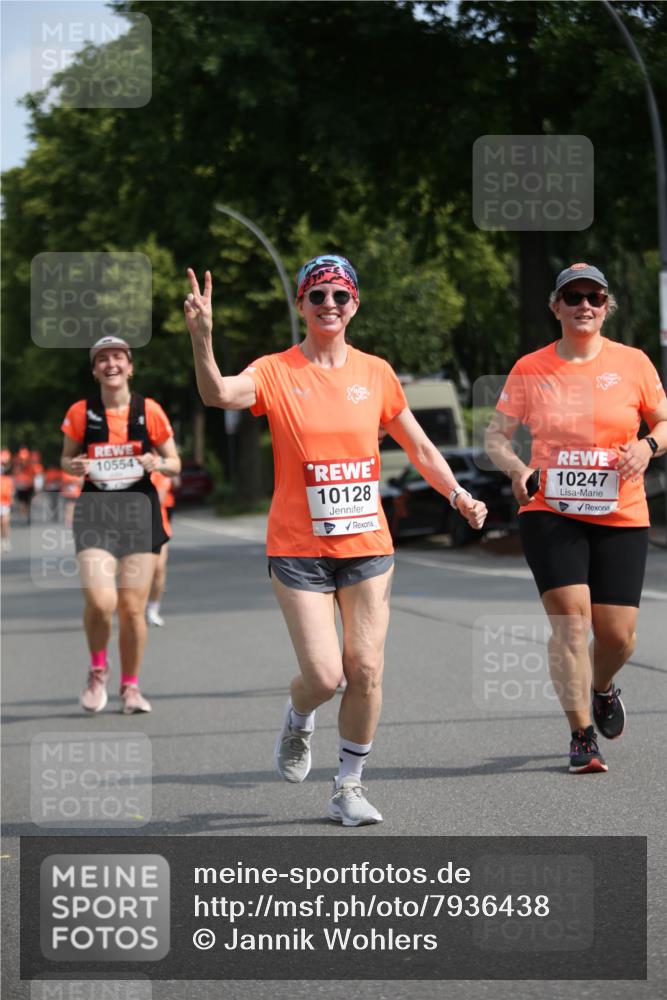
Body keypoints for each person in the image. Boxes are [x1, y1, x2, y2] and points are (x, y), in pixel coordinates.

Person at [185, 256, 487, 825]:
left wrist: (458, 495)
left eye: (340, 295)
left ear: (354, 305)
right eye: (318, 294)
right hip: (297, 548)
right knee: (326, 676)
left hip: (367, 543)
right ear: (301, 303)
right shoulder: (275, 370)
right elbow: (219, 393)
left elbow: (421, 448)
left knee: (365, 667)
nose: (329, 304)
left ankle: (348, 785)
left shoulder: (376, 373)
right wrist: (203, 339)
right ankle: (299, 717)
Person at [486, 263, 667, 774]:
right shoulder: (531, 367)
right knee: (571, 623)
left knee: (618, 637)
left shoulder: (632, 362)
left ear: (606, 307)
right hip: (550, 509)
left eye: (594, 297)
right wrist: (518, 469)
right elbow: (497, 436)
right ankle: (582, 736)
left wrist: (648, 446)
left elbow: (663, 420)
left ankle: (601, 686)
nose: (584, 305)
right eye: (573, 297)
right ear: (556, 307)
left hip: (621, 510)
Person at [61, 336, 181, 715]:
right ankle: (98, 670)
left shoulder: (149, 411)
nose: (110, 364)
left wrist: (157, 463)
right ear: (94, 370)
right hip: (95, 514)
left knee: (131, 608)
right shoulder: (81, 412)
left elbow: (174, 462)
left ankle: (130, 687)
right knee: (101, 602)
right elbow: (66, 459)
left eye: (117, 357)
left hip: (139, 514)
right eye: (102, 359)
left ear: (130, 367)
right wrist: (73, 465)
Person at [146, 462, 178, 626]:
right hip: (129, 527)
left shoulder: (160, 469)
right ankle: (134, 606)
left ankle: (153, 609)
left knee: (158, 569)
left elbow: (158, 499)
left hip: (158, 526)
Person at [1, 450, 14, 552]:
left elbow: (11, 491)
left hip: (5, 502)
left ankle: (6, 541)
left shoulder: (8, 478)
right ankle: (1, 541)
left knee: (5, 522)